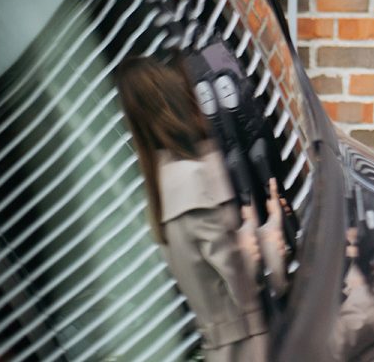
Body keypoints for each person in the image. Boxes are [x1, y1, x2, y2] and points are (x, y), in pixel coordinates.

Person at [115, 55, 268, 362]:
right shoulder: (193, 179)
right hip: (254, 347)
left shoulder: (164, 189)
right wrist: (268, 235)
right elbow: (244, 282)